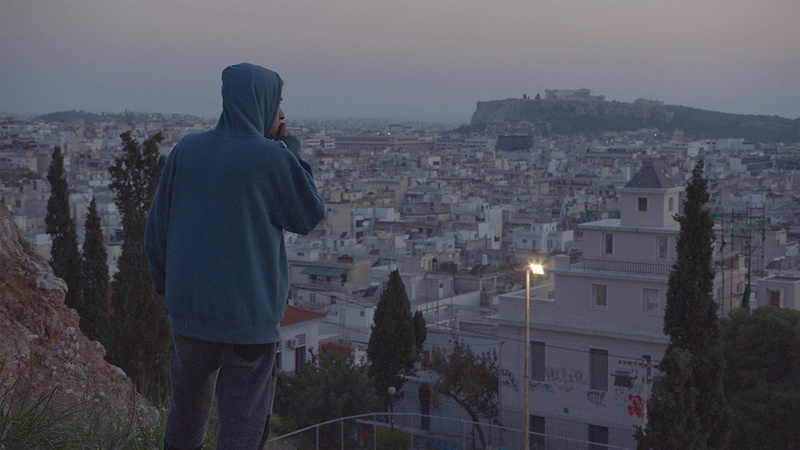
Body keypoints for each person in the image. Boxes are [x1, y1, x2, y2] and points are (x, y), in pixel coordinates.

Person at [145, 62, 326, 450]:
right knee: (243, 430)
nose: (281, 113)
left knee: (185, 420)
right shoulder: (271, 157)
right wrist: (291, 148)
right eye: (277, 102)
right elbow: (308, 214)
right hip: (248, 323)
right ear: (262, 102)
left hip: (189, 316)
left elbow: (156, 232)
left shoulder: (186, 150)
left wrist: (170, 293)